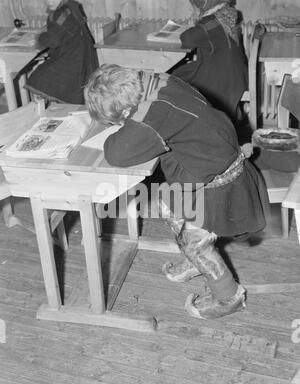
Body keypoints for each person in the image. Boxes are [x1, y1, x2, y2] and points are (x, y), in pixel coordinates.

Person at [84, 64, 268, 320]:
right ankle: (196, 263)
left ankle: (229, 297)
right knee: (168, 205)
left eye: (115, 121)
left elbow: (116, 152)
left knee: (195, 243)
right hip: (209, 161)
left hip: (216, 182)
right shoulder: (157, 80)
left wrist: (119, 129)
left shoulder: (149, 119)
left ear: (126, 110)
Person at [172, 0, 248, 123]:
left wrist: (194, 23)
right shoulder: (228, 14)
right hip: (237, 75)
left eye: (195, 7)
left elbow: (186, 39)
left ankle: (190, 119)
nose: (193, 10)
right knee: (182, 71)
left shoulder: (208, 23)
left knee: (176, 78)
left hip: (221, 78)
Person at [25, 0, 99, 104]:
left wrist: (39, 37)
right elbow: (62, 33)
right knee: (44, 71)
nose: (48, 2)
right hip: (81, 57)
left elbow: (53, 40)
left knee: (37, 78)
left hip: (73, 61)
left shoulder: (61, 14)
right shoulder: (70, 8)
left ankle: (40, 110)